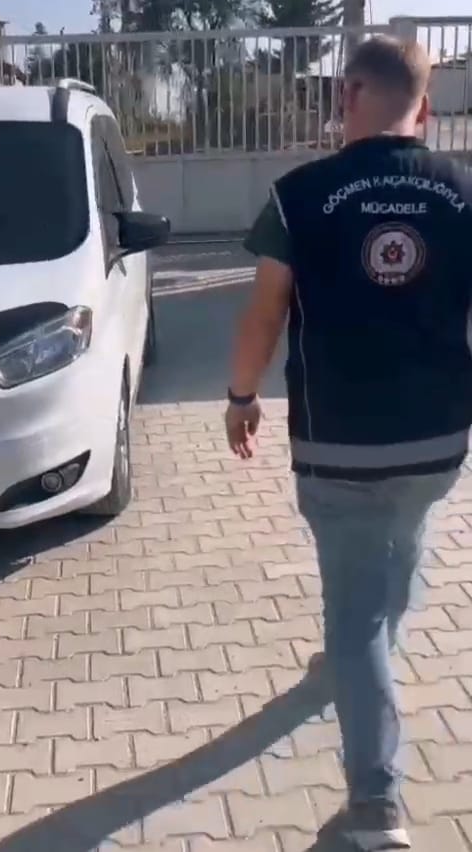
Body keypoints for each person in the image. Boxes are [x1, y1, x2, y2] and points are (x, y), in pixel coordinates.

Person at [225, 35, 472, 851]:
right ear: (424, 109)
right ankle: (361, 664)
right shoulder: (464, 192)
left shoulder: (300, 195)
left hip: (340, 444)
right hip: (438, 439)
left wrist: (241, 396)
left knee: (357, 615)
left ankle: (376, 805)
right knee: (403, 543)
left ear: (346, 96)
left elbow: (265, 312)